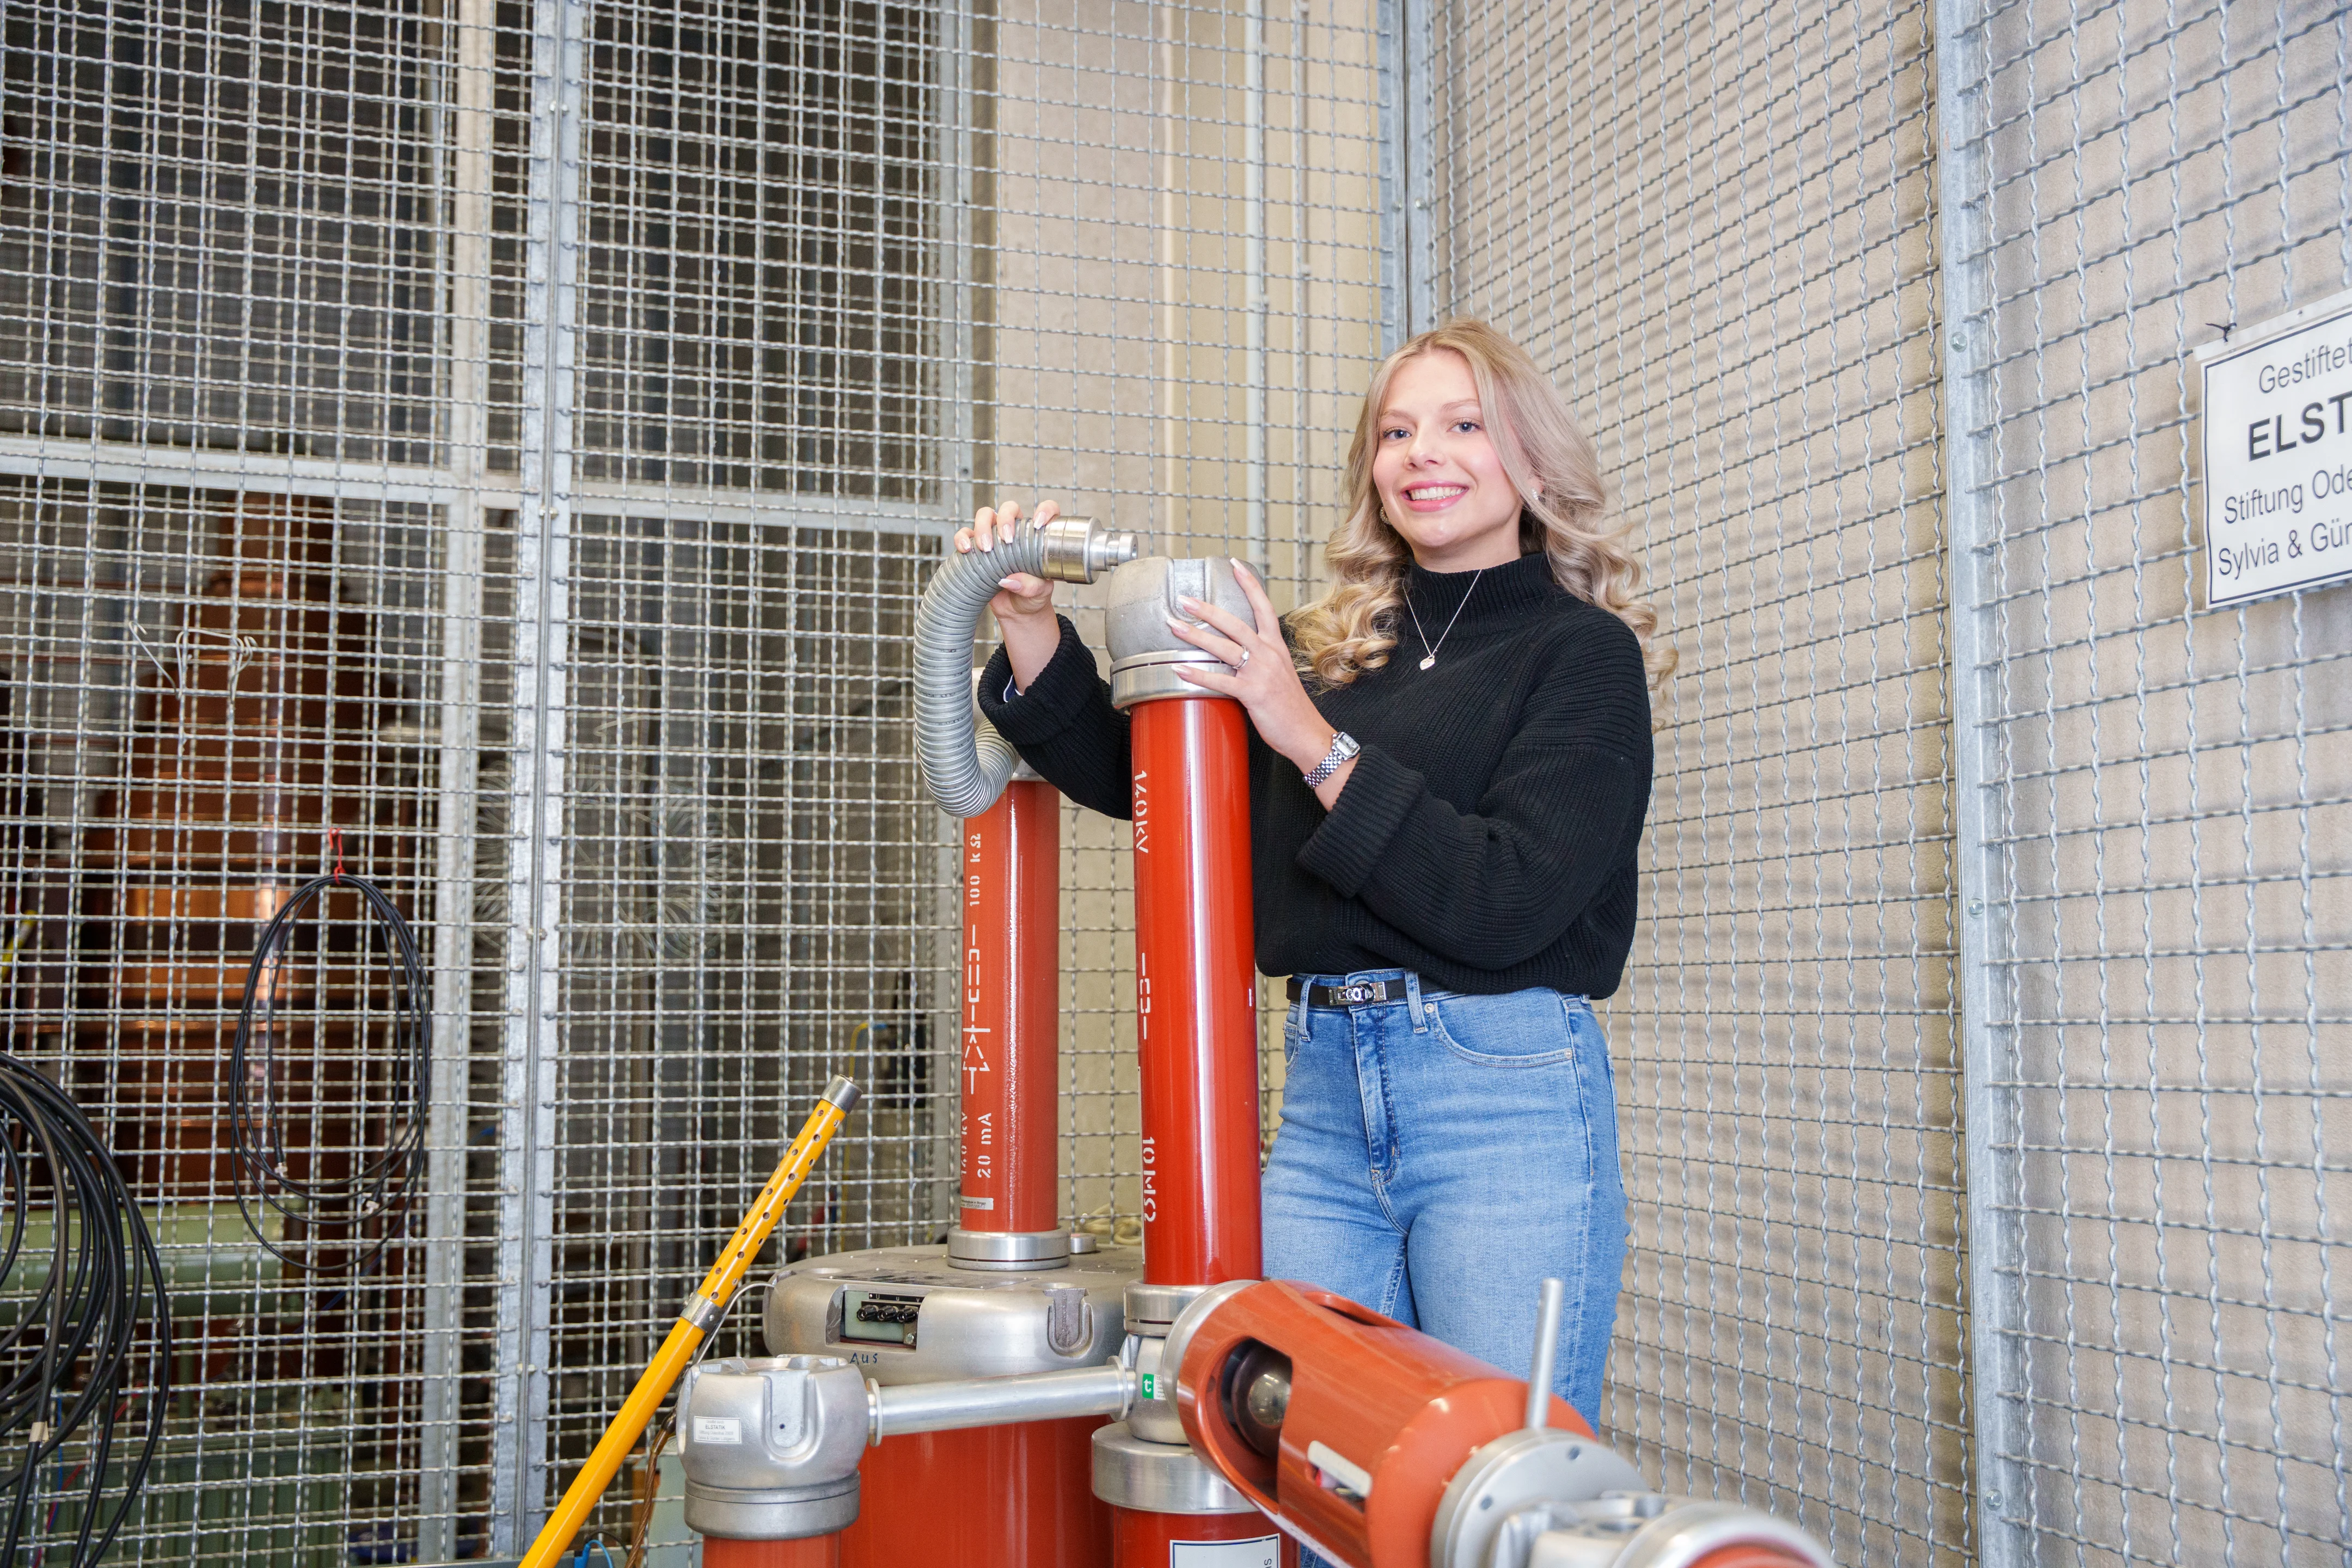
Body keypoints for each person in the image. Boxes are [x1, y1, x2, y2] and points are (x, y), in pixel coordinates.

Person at [961, 318, 1670, 1437]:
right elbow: (1149, 785)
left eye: (1463, 425)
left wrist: (1313, 741)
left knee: (1489, 1481)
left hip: (1501, 1099)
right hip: (1329, 1098)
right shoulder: (1331, 652)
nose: (1422, 454)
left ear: (1531, 458)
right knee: (1314, 1474)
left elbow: (1509, 899)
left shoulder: (1580, 656)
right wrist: (1033, 629)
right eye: (1396, 432)